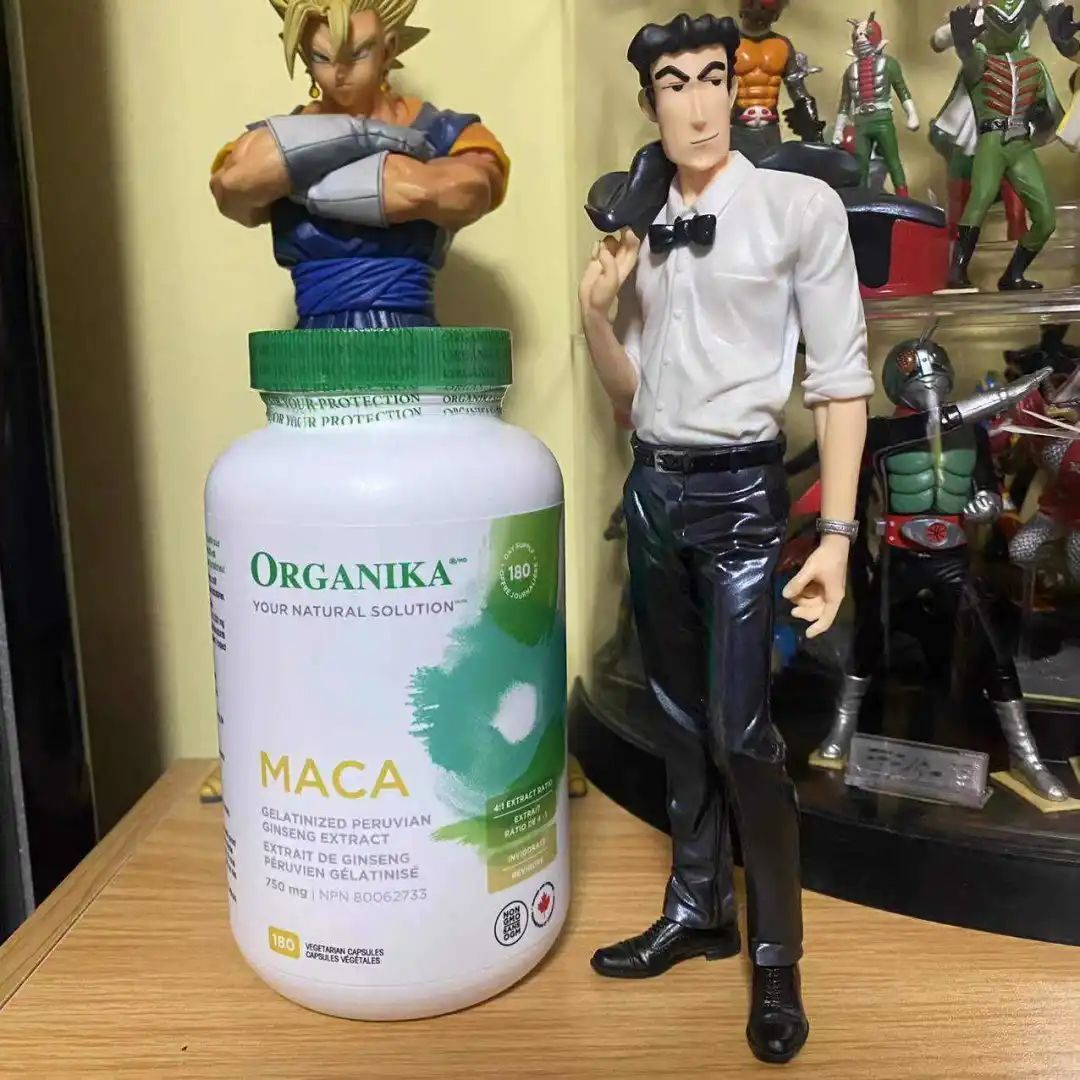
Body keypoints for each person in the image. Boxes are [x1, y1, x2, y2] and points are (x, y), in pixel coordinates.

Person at [579, 13, 873, 1066]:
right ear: (649, 102)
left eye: (713, 78)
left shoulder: (798, 207)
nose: (699, 105)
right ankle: (698, 905)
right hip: (654, 487)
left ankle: (777, 952)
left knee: (743, 728)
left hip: (744, 496)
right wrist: (596, 313)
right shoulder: (637, 219)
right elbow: (630, 398)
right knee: (672, 715)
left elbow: (840, 381)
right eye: (675, 84)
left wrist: (835, 534)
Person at [210, 0, 509, 328]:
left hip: (409, 333)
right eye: (322, 57)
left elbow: (466, 191)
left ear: (388, 49)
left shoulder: (443, 132)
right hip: (314, 339)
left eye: (357, 54)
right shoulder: (268, 141)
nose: (339, 73)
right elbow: (235, 187)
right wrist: (359, 138)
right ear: (304, 55)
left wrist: (299, 176)